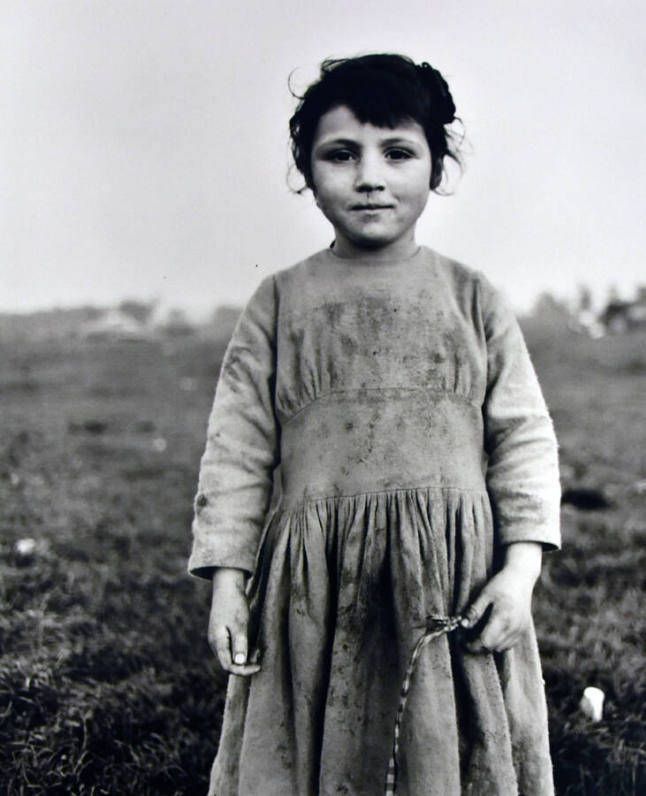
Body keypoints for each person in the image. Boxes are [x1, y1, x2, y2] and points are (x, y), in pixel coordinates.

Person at [189, 53, 561, 795]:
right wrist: (228, 582)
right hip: (318, 583)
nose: (370, 176)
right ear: (307, 169)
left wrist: (520, 572)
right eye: (341, 154)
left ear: (435, 166)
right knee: (322, 739)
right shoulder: (280, 302)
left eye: (397, 153)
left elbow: (523, 439)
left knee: (446, 744)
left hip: (448, 573)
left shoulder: (473, 298)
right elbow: (235, 450)